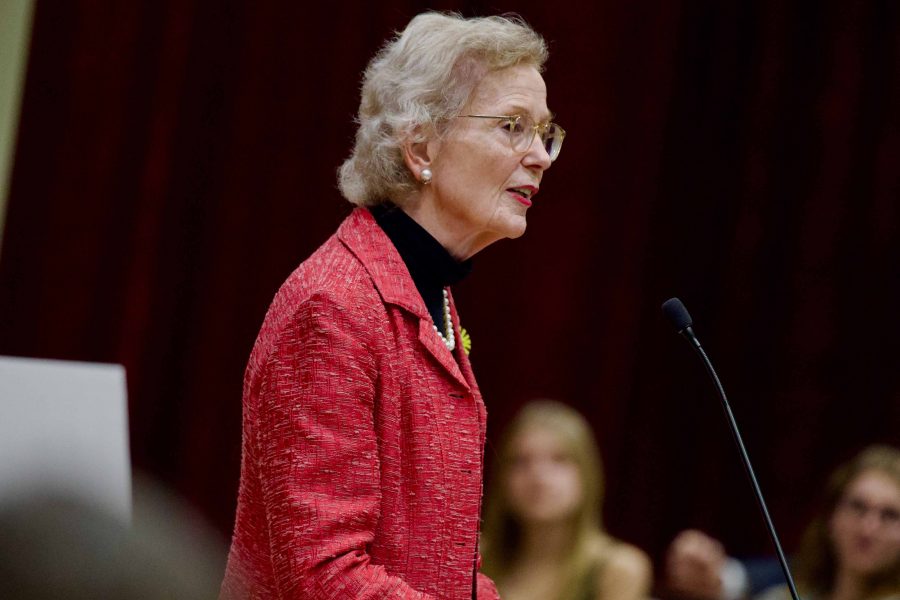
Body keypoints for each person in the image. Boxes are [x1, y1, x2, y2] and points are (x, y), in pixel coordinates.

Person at [219, 12, 565, 600]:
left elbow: (440, 556)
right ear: (420, 144)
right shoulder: (333, 307)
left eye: (545, 132)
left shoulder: (430, 293)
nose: (540, 155)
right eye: (513, 126)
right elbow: (323, 576)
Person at [664, 445, 900, 600]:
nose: (868, 528)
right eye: (858, 507)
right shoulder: (782, 594)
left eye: (889, 515)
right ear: (831, 517)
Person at [480, 400, 652, 600]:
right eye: (520, 461)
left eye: (559, 459)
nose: (538, 476)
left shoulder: (617, 568)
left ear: (587, 474)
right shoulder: (477, 558)